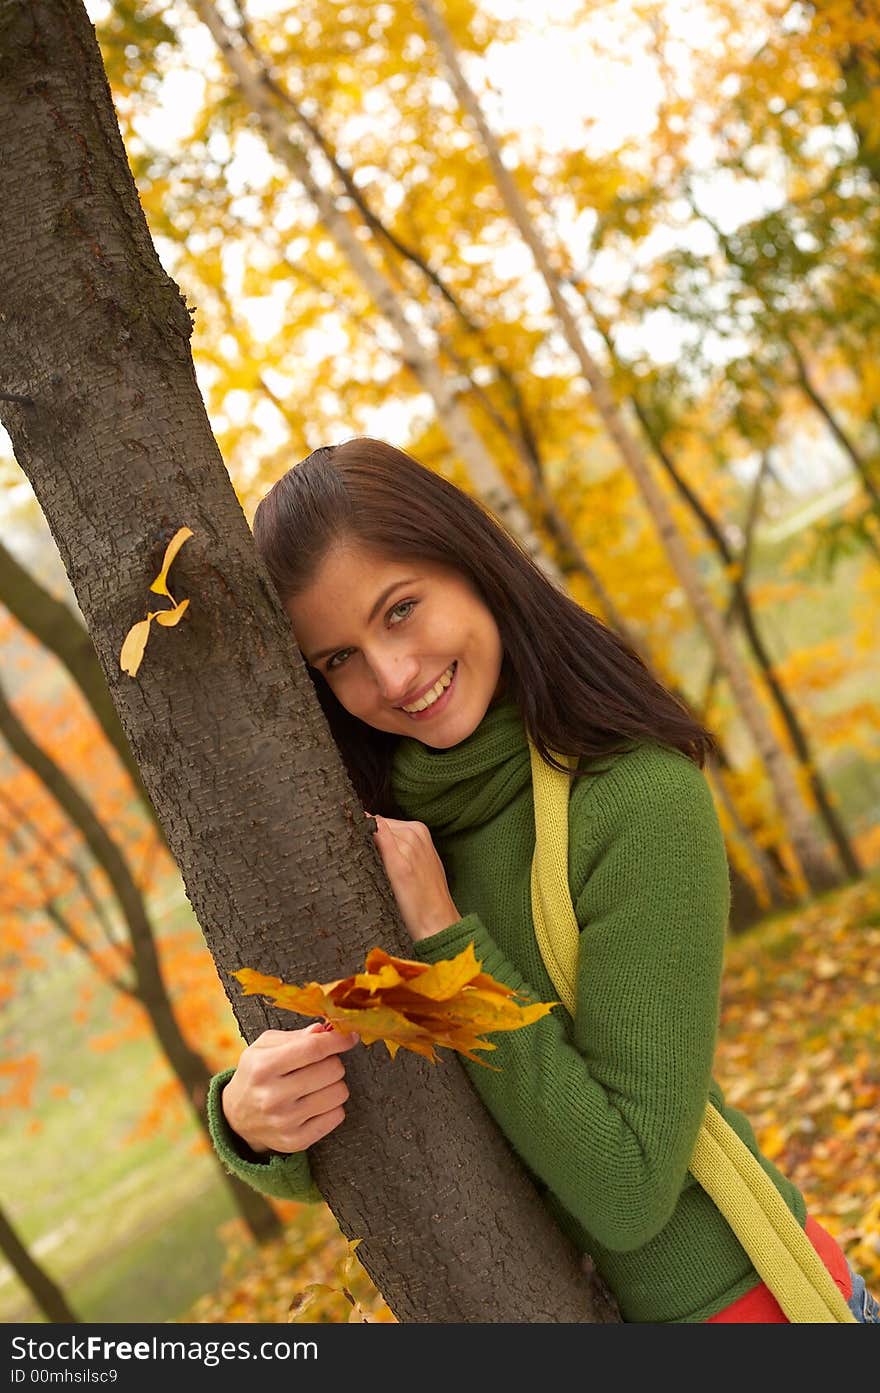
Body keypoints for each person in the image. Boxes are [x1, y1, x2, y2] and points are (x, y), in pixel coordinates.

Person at [207, 437, 878, 1324]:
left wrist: (449, 954)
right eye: (339, 659)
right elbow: (394, 1096)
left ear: (472, 565)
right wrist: (251, 1118)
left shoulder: (635, 800)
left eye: (401, 610)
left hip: (734, 1308)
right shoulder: (374, 838)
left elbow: (631, 1187)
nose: (393, 675)